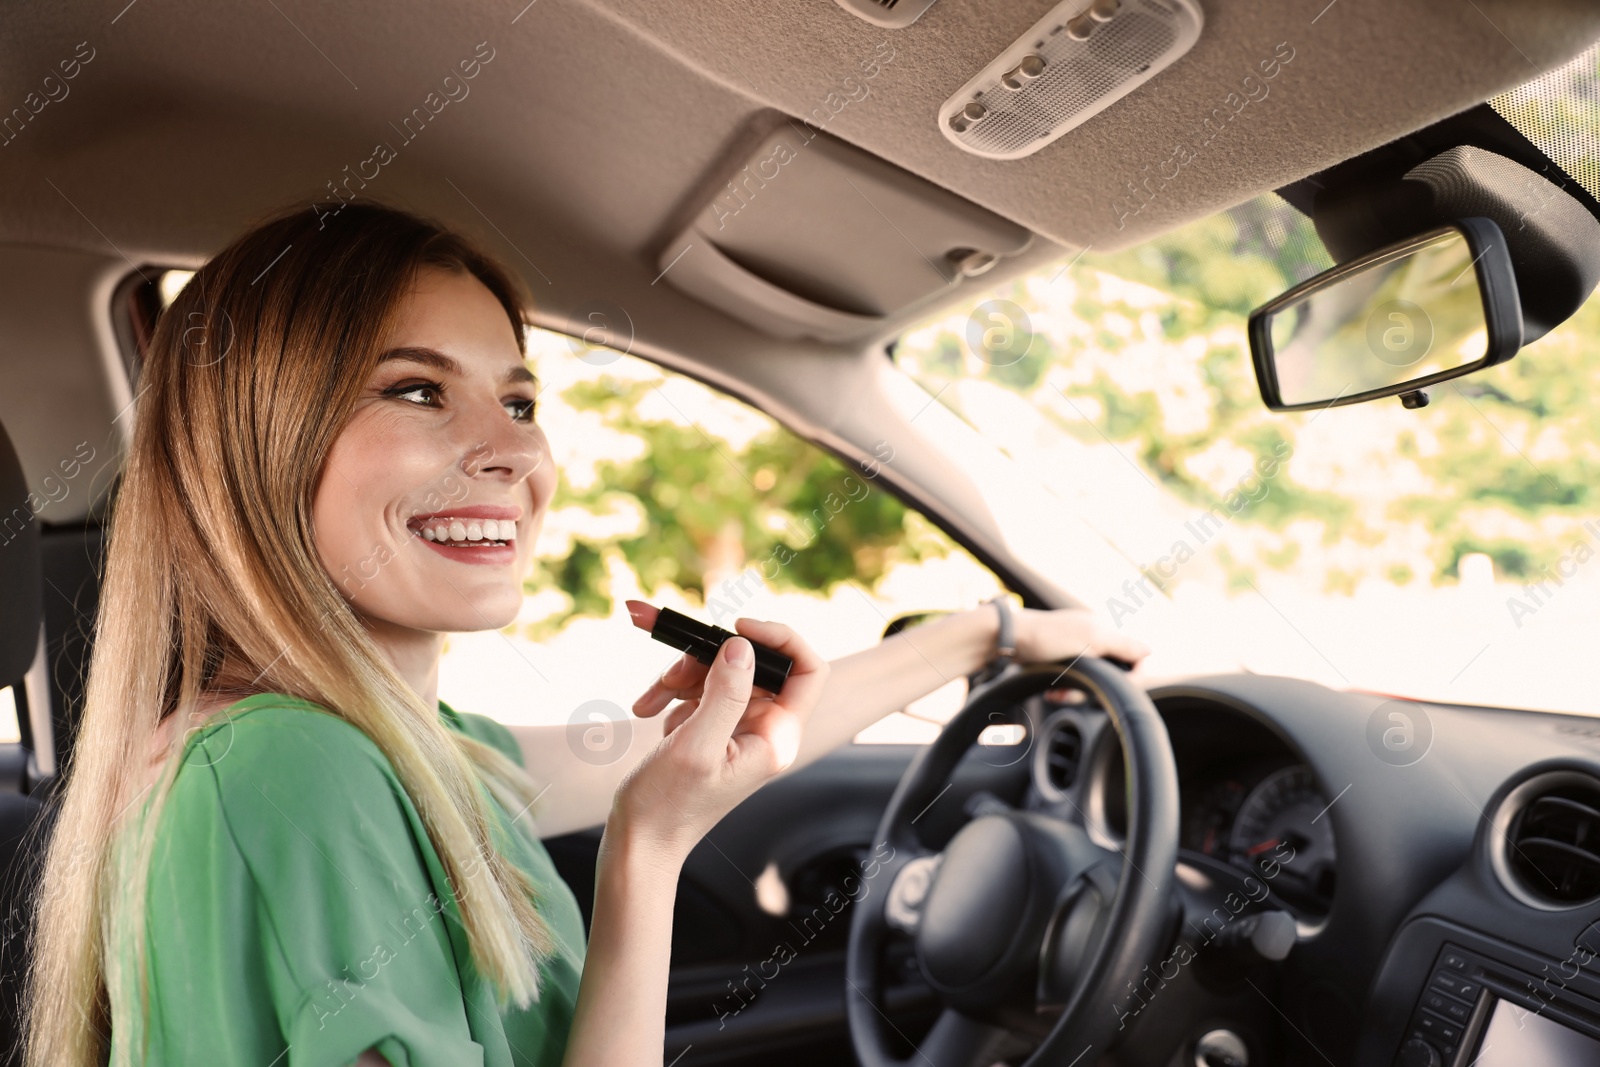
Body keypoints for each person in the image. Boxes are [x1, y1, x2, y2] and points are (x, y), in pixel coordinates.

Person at [20, 201, 1148, 1067]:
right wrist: (644, 861)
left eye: (518, 402)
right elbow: (649, 803)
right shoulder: (289, 772)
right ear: (258, 445)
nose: (512, 453)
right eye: (417, 391)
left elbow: (696, 753)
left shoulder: (401, 748)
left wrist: (982, 635)